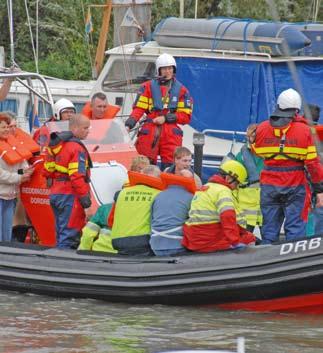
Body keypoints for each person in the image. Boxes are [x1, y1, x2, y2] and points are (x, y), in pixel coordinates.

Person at [251, 88, 323, 244]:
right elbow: (312, 164)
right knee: (295, 230)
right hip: (295, 183)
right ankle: (293, 262)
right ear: (297, 109)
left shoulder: (262, 128)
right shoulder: (305, 131)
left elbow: (256, 152)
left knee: (269, 229)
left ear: (278, 105)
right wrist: (319, 189)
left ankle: (266, 259)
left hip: (269, 183)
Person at [125, 53, 193, 170]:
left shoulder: (182, 91)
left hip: (170, 132)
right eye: (164, 69)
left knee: (171, 166)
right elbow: (139, 109)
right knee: (144, 165)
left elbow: (185, 116)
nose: (167, 71)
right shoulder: (147, 87)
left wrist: (166, 118)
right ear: (159, 71)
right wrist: (129, 124)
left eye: (170, 68)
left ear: (174, 69)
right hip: (150, 128)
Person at [182, 160, 255, 253]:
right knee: (249, 238)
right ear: (228, 178)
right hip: (209, 239)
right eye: (236, 183)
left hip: (194, 238)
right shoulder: (223, 191)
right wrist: (235, 241)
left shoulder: (206, 187)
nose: (236, 187)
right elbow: (227, 216)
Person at [43, 114, 92, 249]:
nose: (88, 131)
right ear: (75, 128)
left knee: (60, 232)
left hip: (56, 192)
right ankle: (64, 266)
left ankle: (56, 263)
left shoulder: (56, 144)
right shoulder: (76, 148)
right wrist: (85, 199)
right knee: (70, 234)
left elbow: (47, 170)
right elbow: (77, 177)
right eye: (85, 128)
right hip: (70, 195)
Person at [108, 165, 163, 255]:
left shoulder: (121, 193)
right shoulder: (158, 195)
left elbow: (110, 221)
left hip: (118, 241)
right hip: (144, 242)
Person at [0, 113, 34, 241]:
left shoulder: (12, 145)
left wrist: (25, 173)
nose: (7, 130)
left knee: (6, 236)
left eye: (8, 127)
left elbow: (21, 169)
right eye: (3, 127)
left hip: (9, 197)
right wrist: (19, 178)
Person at [150, 169, 196, 256]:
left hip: (155, 245)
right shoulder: (191, 197)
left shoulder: (159, 195)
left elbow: (151, 221)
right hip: (177, 244)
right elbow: (193, 223)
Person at [234, 124, 264, 236]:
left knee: (268, 238)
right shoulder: (241, 156)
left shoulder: (241, 155)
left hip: (261, 204)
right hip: (248, 206)